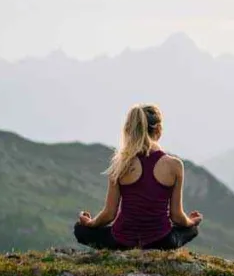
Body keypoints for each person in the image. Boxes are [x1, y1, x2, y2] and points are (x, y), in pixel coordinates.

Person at [74, 104, 202, 250]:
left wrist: (90, 223)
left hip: (121, 242)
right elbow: (177, 216)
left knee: (80, 229)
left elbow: (109, 214)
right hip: (162, 242)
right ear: (158, 129)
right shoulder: (175, 165)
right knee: (192, 230)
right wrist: (191, 222)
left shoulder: (121, 163)